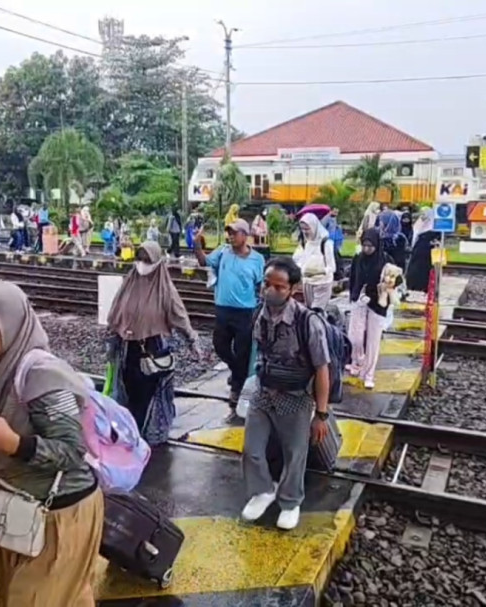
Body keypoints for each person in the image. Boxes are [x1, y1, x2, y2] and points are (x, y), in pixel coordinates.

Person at [0, 281, 103, 607]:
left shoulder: (41, 373)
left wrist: (13, 443)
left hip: (61, 513)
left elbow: (72, 450)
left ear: (12, 321)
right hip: (20, 508)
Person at [242, 257, 331, 531]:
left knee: (295, 454)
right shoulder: (258, 314)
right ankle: (263, 491)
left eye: (279, 287)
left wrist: (321, 414)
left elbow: (322, 369)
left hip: (296, 397)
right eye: (266, 284)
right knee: (251, 449)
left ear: (293, 289)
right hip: (263, 393)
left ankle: (291, 502)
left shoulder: (307, 322)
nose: (270, 290)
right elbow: (258, 354)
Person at [106, 242, 198, 445]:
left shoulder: (164, 289)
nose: (142, 264)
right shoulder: (129, 283)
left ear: (157, 262)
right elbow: (116, 311)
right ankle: (131, 435)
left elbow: (179, 316)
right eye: (139, 259)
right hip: (127, 349)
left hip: (152, 349)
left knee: (147, 397)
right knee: (127, 391)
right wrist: (111, 336)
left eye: (147, 260)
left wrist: (192, 340)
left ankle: (143, 438)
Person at [194, 219, 265, 416]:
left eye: (235, 233)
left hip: (245, 313)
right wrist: (197, 245)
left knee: (242, 352)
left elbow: (260, 285)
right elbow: (203, 262)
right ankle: (237, 374)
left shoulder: (257, 259)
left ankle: (237, 389)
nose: (231, 237)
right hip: (223, 310)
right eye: (229, 233)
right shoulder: (223, 252)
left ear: (245, 235)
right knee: (220, 346)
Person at [348, 228, 401, 389]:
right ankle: (357, 361)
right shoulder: (358, 258)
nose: (367, 249)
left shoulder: (386, 260)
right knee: (355, 337)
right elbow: (352, 278)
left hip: (378, 304)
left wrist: (386, 286)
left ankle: (369, 373)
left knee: (373, 341)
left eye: (370, 246)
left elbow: (397, 279)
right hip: (359, 301)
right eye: (364, 245)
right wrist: (353, 295)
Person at [292, 214, 337, 309]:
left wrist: (317, 271)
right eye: (303, 229)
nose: (305, 232)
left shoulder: (326, 244)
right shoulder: (305, 243)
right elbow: (297, 259)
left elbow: (332, 267)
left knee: (317, 311)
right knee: (309, 312)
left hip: (322, 283)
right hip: (307, 283)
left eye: (307, 229)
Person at [406, 207, 441, 292]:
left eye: (424, 214)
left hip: (423, 259)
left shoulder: (431, 233)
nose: (422, 216)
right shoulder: (423, 227)